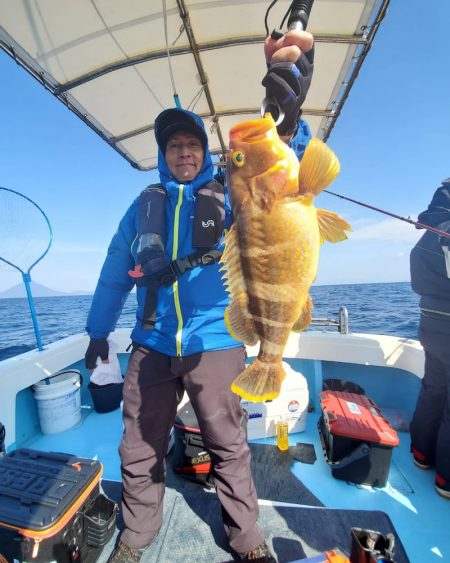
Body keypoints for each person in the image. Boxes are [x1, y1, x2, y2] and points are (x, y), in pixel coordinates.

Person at [84, 29, 314, 563]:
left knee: (228, 444)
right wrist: (98, 331)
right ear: (164, 156)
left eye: (191, 145)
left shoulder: (231, 196)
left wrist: (289, 117)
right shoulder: (141, 207)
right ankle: (136, 537)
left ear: (203, 152)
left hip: (216, 337)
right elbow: (113, 273)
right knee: (137, 448)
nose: (184, 153)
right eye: (173, 147)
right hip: (153, 343)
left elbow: (280, 185)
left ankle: (246, 538)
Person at [409, 178, 450, 499]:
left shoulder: (428, 234)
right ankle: (446, 479)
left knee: (433, 386)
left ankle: (422, 454)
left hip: (429, 320)